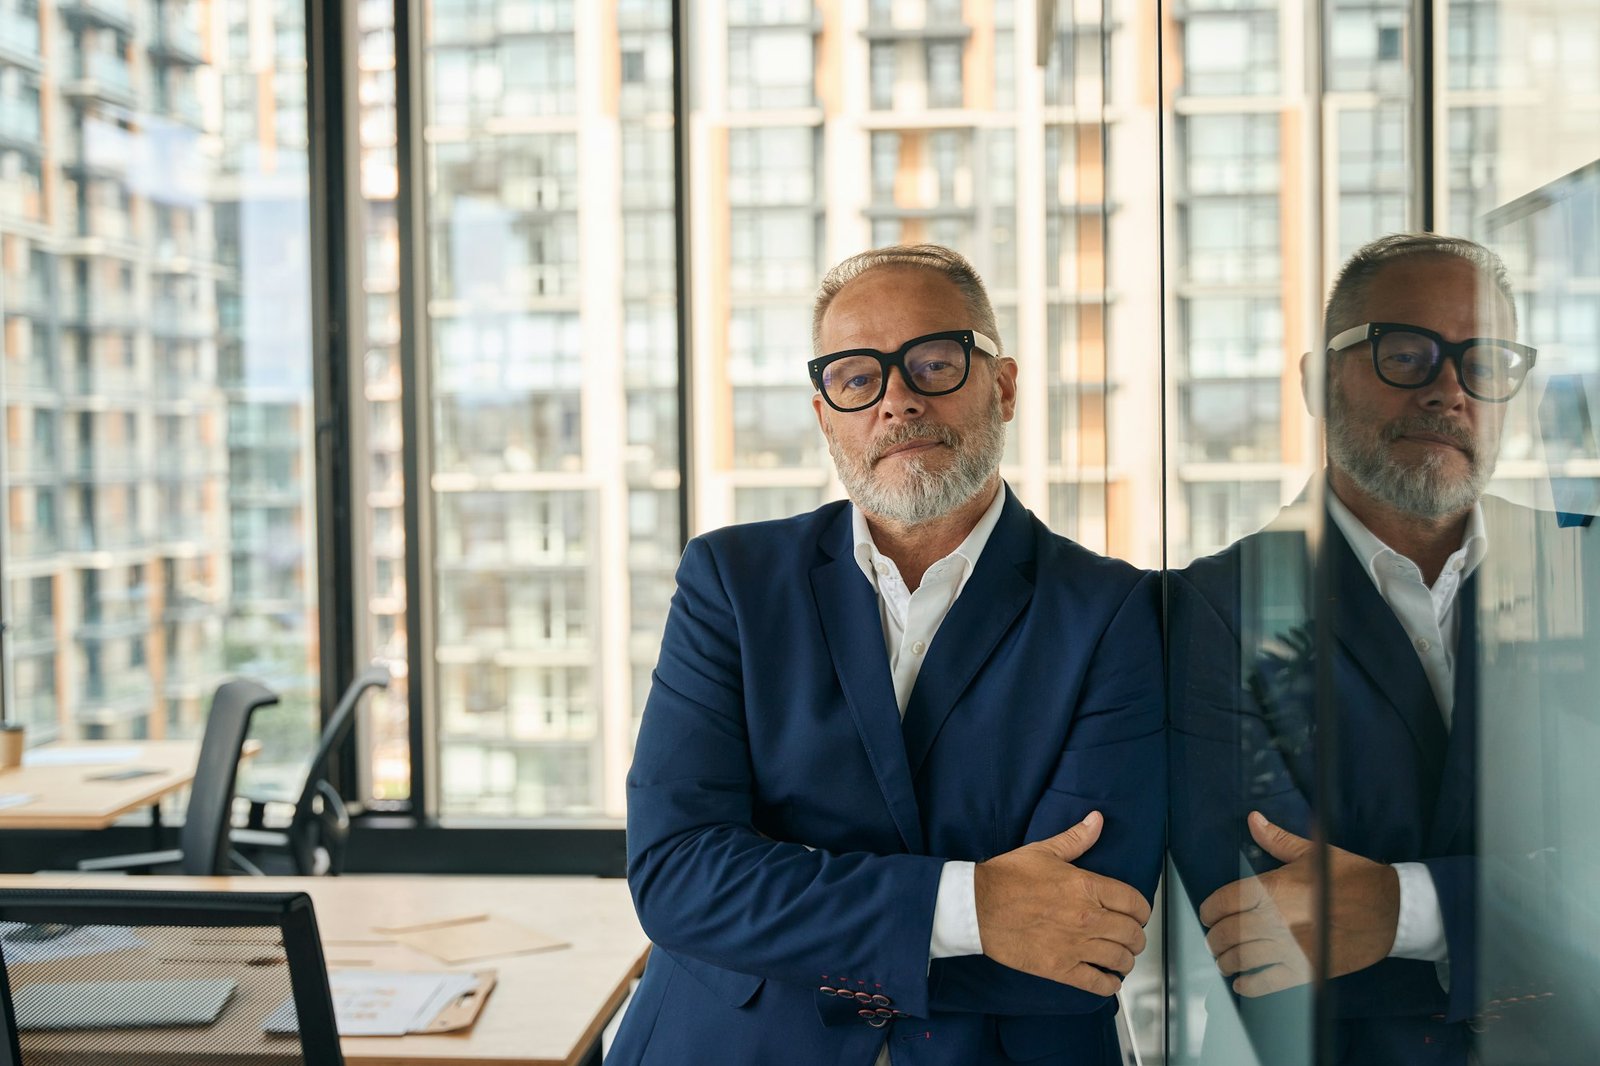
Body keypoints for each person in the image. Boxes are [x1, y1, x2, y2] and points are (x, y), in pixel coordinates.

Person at [609, 245, 1165, 1065]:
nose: (897, 401)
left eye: (935, 362)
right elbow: (678, 875)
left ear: (1003, 386)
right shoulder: (731, 581)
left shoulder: (1116, 611)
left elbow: (1081, 935)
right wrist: (975, 906)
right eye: (856, 377)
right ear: (825, 412)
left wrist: (788, 922)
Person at [1169, 233, 1542, 1064]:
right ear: (1314, 381)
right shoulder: (1208, 609)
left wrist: (1403, 910)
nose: (1449, 390)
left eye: (1485, 361)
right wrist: (1534, 908)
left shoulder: (1581, 569)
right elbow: (1260, 928)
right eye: (1406, 353)